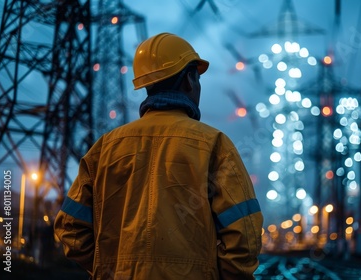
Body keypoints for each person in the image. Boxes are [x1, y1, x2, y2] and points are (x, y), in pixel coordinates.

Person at [54, 32, 264, 279]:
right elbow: (244, 235)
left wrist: (110, 269)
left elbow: (70, 228)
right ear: (189, 80)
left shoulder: (105, 148)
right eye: (198, 80)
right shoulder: (215, 145)